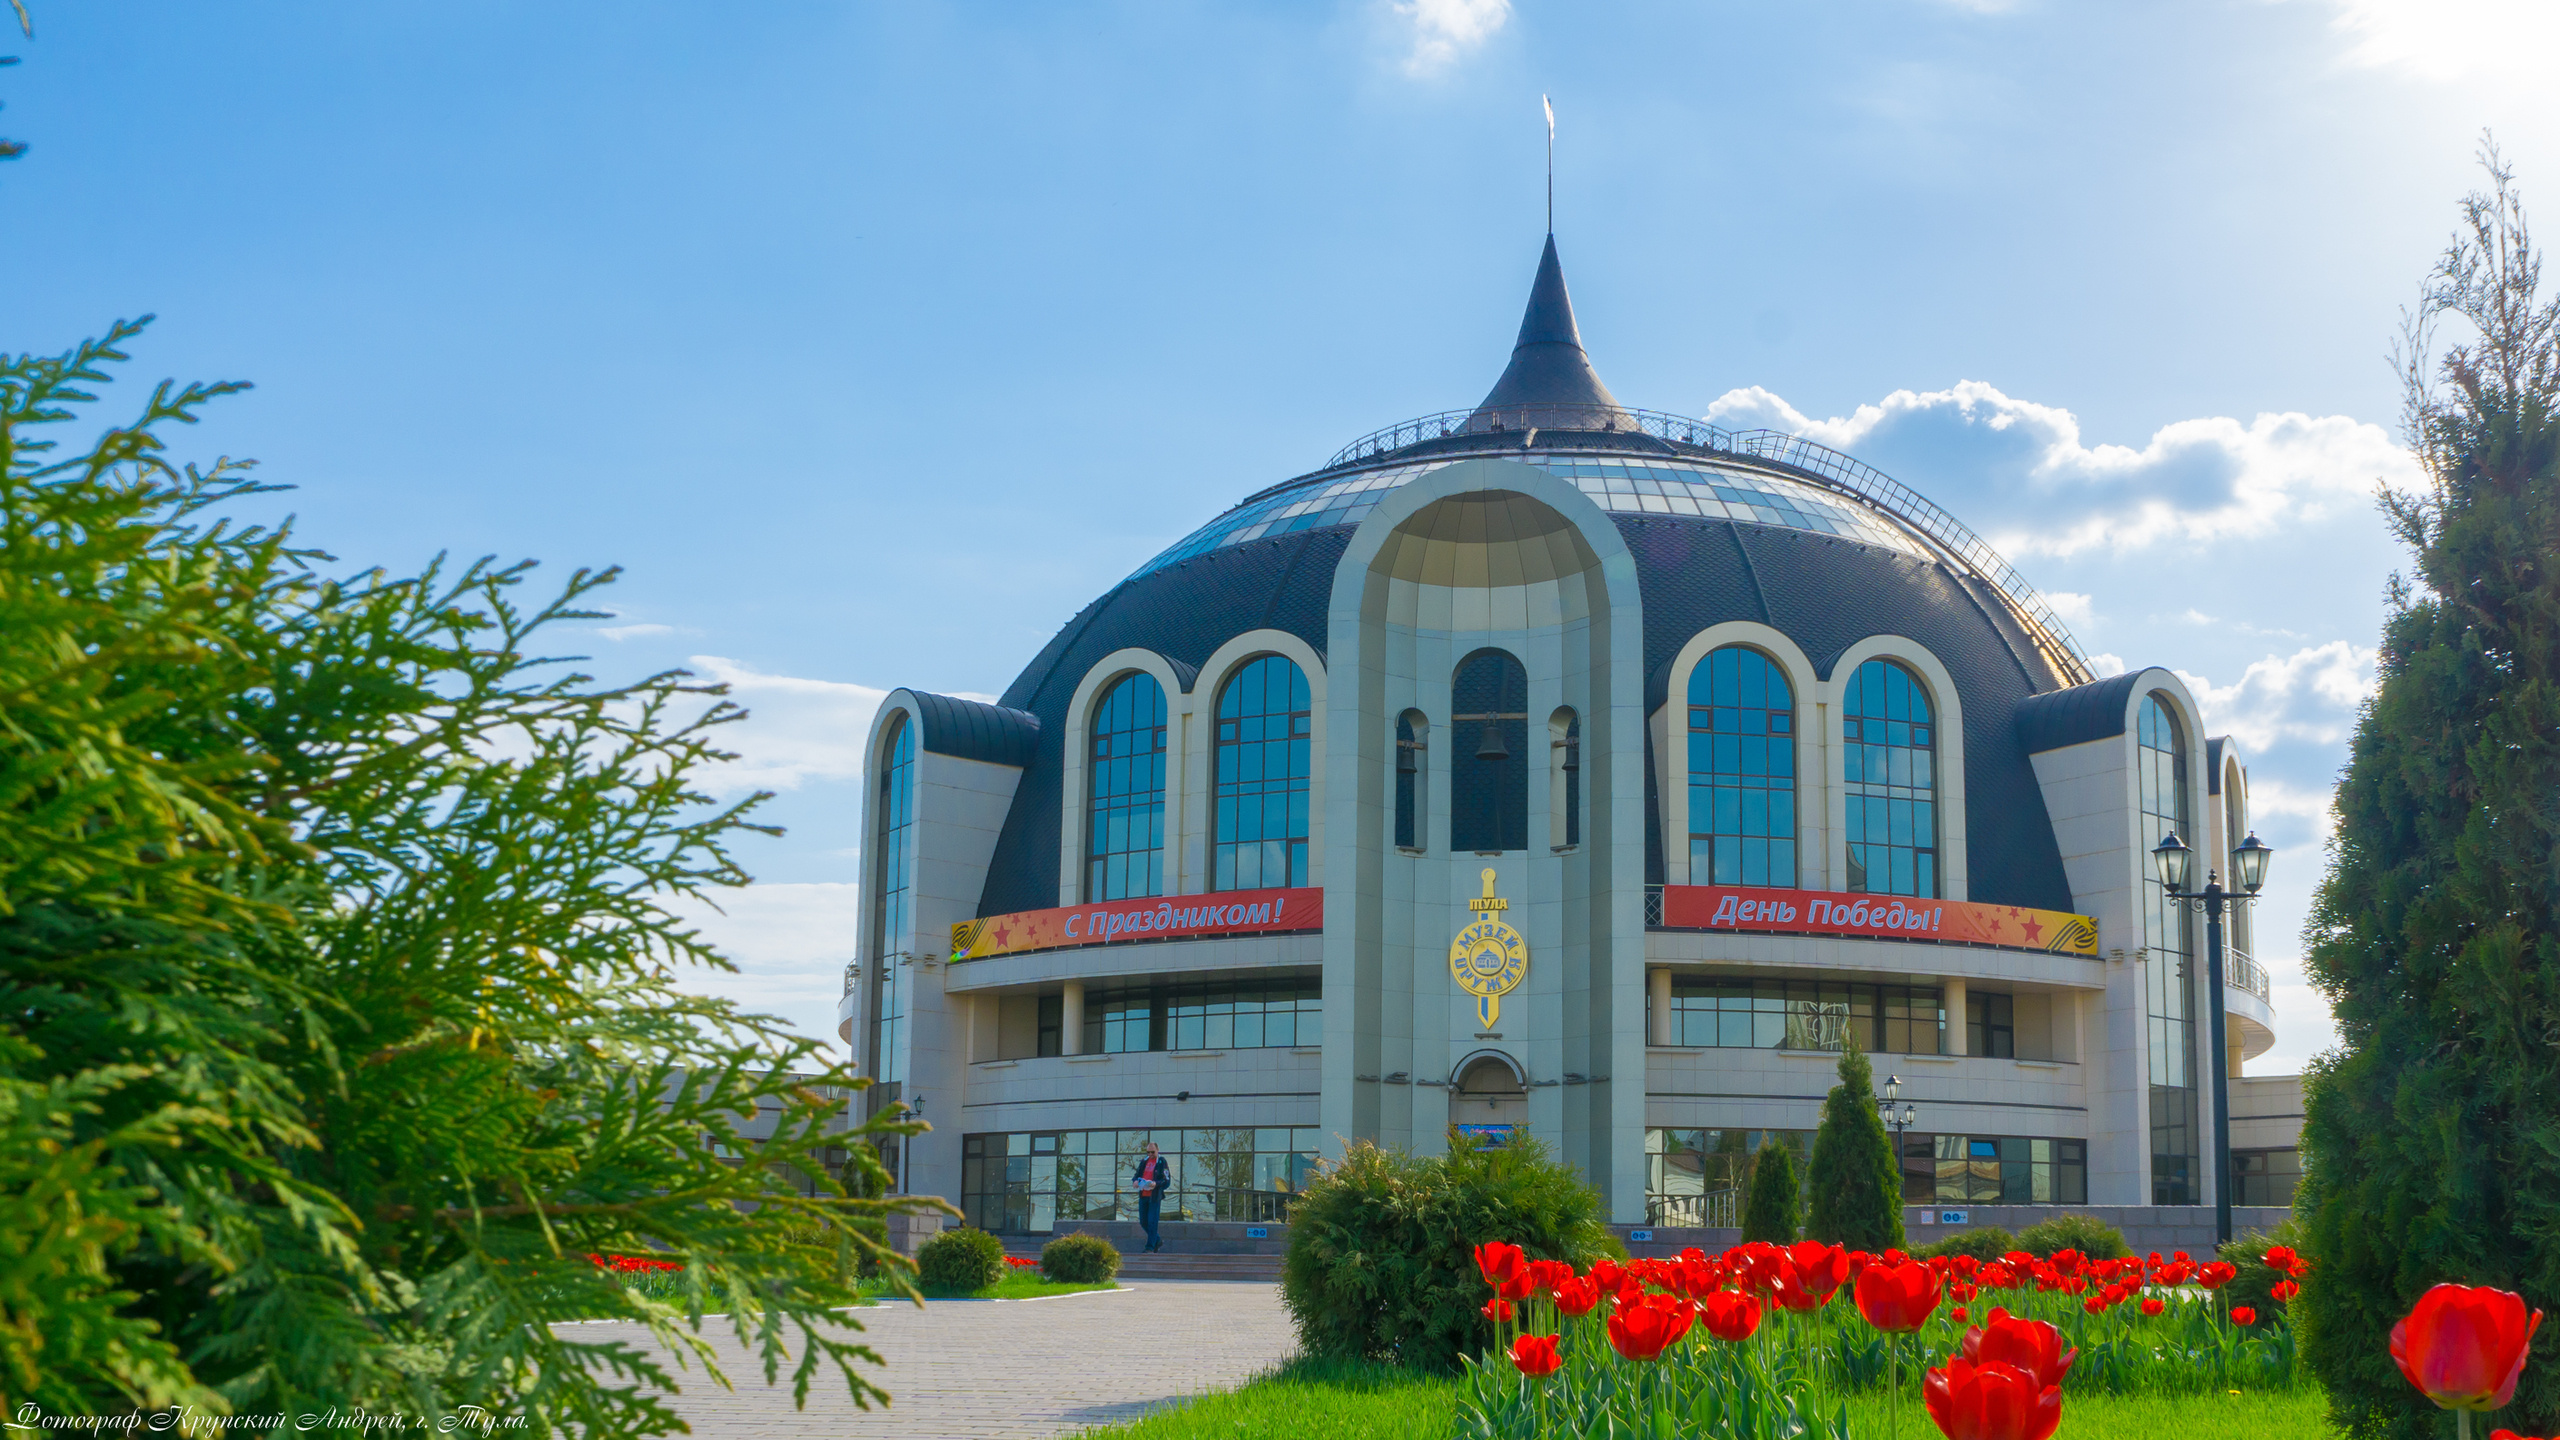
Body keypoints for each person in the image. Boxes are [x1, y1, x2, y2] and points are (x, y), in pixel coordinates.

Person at [1131, 1140, 1171, 1253]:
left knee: (1152, 1221)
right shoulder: (1144, 1161)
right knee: (1143, 1221)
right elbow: (1137, 1175)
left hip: (1154, 1197)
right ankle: (1157, 1240)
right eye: (1148, 1152)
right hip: (1143, 1195)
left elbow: (1166, 1181)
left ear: (1157, 1150)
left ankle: (1150, 1247)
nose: (1150, 1154)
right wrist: (1135, 1181)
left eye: (1152, 1152)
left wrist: (1155, 1184)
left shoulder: (1161, 1162)